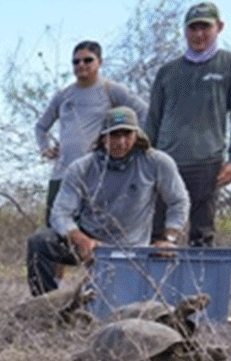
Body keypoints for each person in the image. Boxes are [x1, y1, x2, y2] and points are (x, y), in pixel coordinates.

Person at [26, 106, 189, 295]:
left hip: (135, 248)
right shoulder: (81, 167)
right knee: (40, 241)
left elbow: (179, 201)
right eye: (114, 135)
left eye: (127, 134)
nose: (121, 141)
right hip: (91, 243)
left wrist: (168, 239)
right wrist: (81, 240)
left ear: (137, 135)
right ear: (103, 137)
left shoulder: (157, 162)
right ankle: (45, 305)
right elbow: (60, 213)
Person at [146, 1, 231, 247]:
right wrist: (144, 159)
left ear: (219, 27)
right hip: (166, 162)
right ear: (185, 31)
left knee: (201, 236)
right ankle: (155, 285)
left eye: (205, 27)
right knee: (157, 235)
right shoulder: (167, 72)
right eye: (193, 28)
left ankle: (198, 287)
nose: (199, 34)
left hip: (207, 163)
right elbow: (152, 119)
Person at [35, 41, 148, 225]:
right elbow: (40, 127)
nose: (81, 65)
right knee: (54, 235)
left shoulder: (110, 90)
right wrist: (45, 148)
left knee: (94, 236)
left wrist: (130, 146)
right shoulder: (63, 96)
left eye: (88, 60)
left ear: (100, 62)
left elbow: (145, 114)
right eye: (76, 62)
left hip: (97, 176)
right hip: (62, 175)